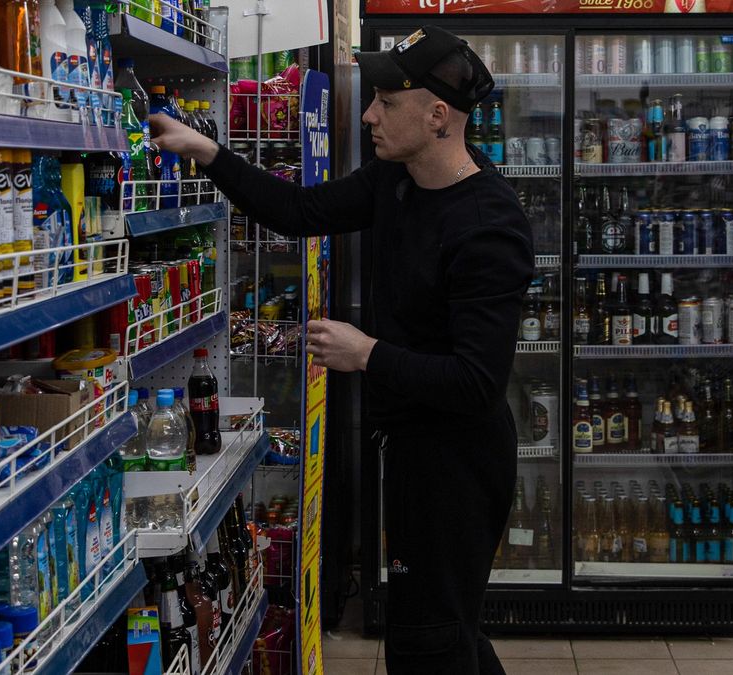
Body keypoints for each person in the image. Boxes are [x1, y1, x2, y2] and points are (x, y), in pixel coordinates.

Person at [150, 26, 533, 674]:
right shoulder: (396, 179)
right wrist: (206, 150)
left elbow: (477, 381)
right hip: (411, 448)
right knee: (448, 631)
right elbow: (298, 210)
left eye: (387, 99)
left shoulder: (490, 225)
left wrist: (368, 353)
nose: (369, 113)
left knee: (430, 641)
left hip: (458, 468)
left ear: (437, 115)